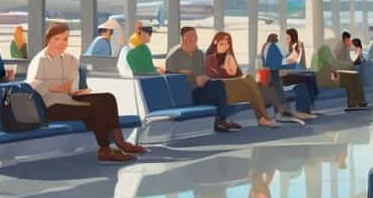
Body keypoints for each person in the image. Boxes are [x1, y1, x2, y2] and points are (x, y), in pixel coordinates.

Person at [26, 22, 145, 162]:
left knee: (107, 98)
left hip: (68, 99)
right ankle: (105, 149)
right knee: (94, 108)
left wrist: (74, 91)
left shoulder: (68, 58)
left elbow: (70, 85)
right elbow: (34, 85)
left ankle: (120, 142)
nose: (61, 43)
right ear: (48, 40)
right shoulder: (40, 60)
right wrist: (57, 88)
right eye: (57, 39)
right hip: (50, 107)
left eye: (65, 39)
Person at [166, 26, 239, 133]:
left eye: (194, 35)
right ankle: (221, 120)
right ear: (182, 37)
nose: (192, 38)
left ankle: (221, 120)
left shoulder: (199, 54)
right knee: (218, 94)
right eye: (188, 36)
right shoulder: (174, 55)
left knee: (219, 84)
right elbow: (172, 79)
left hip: (200, 90)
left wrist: (205, 78)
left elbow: (204, 73)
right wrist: (194, 79)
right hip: (186, 92)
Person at [204, 32, 277, 128]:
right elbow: (214, 78)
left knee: (250, 81)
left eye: (227, 44)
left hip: (232, 89)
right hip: (219, 89)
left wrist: (229, 58)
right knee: (249, 81)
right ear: (215, 43)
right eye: (222, 43)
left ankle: (262, 118)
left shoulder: (229, 57)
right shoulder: (209, 59)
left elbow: (237, 74)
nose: (225, 46)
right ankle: (263, 118)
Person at [261, 33, 312, 121]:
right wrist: (289, 63)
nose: (278, 40)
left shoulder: (270, 47)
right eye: (276, 38)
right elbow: (278, 63)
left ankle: (294, 111)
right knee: (303, 81)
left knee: (305, 80)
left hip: (279, 74)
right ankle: (293, 111)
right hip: (278, 75)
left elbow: (280, 61)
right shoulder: (271, 47)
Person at [309, 43, 368, 110]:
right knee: (353, 76)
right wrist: (352, 63)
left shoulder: (316, 56)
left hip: (322, 80)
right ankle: (359, 101)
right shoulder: (324, 51)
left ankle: (353, 102)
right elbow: (336, 64)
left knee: (351, 77)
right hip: (328, 80)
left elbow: (335, 65)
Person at [279, 28, 319, 106]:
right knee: (309, 78)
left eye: (288, 38)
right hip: (289, 73)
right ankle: (311, 102)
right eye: (286, 38)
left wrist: (289, 60)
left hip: (296, 70)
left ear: (292, 37)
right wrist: (288, 60)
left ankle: (311, 102)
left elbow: (297, 59)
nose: (286, 40)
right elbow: (288, 59)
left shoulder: (298, 45)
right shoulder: (289, 48)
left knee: (311, 76)